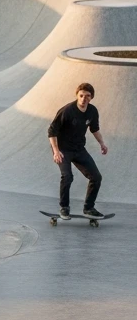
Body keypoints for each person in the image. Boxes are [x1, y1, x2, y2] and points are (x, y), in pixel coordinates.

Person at [48, 82, 108, 219]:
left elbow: (94, 129)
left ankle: (89, 208)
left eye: (87, 96)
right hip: (63, 149)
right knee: (67, 176)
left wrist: (102, 143)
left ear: (91, 97)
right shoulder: (67, 110)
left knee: (96, 177)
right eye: (81, 95)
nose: (83, 99)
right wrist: (56, 151)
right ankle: (64, 207)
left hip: (79, 149)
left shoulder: (92, 111)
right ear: (77, 95)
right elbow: (52, 131)